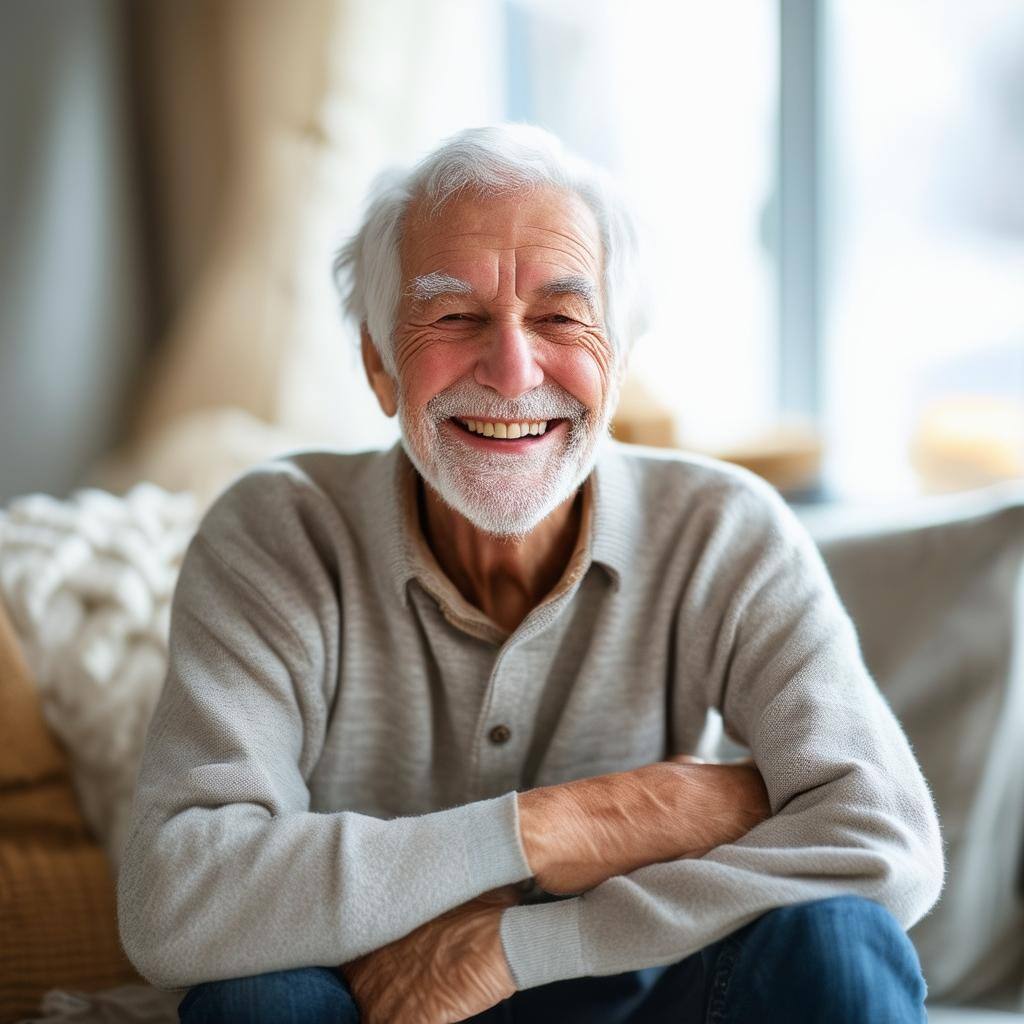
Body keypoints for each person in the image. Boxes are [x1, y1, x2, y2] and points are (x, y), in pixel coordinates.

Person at [117, 124, 944, 1023]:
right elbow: (176, 902)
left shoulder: (725, 529)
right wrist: (572, 823)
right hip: (377, 1005)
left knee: (840, 946)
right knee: (255, 1001)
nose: (513, 374)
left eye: (560, 317)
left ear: (618, 360)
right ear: (377, 363)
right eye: (455, 317)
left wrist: (525, 946)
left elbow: (884, 840)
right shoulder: (275, 532)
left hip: (645, 996)